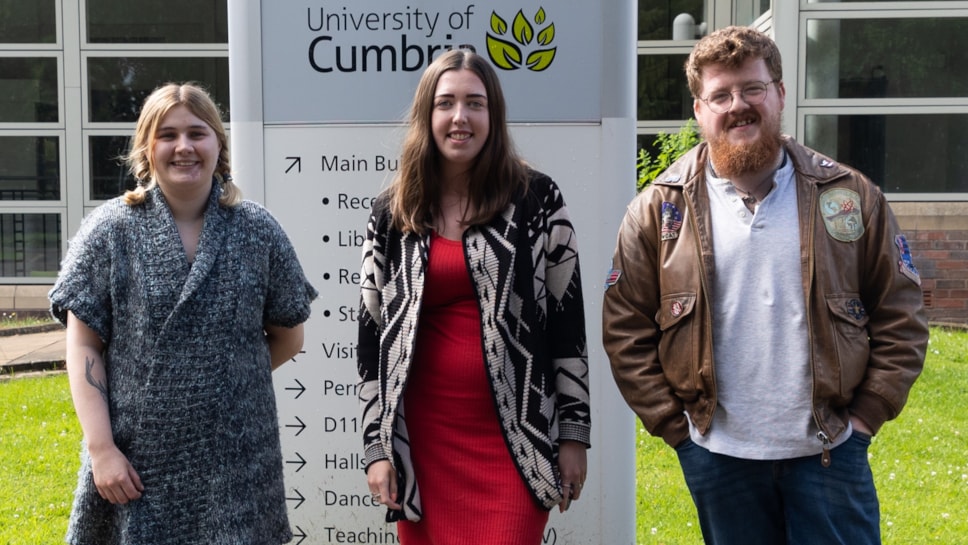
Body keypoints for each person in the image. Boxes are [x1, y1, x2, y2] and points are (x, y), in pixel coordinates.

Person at [602, 26, 928, 545]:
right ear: (698, 110)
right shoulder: (659, 209)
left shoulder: (847, 196)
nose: (739, 106)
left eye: (753, 89)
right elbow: (624, 329)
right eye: (721, 95)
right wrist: (676, 429)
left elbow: (901, 314)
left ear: (779, 93)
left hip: (829, 451)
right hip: (719, 457)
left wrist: (864, 419)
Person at [49, 82, 318, 544]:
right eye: (167, 134)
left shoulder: (258, 230)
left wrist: (209, 384)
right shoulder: (110, 230)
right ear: (147, 147)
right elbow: (83, 343)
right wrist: (101, 450)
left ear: (219, 143)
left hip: (235, 462)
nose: (184, 147)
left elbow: (290, 336)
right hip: (134, 461)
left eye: (197, 132)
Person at [356, 49, 590, 544]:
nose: (460, 117)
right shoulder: (392, 211)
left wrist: (572, 435)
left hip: (514, 440)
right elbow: (370, 340)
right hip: (422, 443)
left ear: (493, 115)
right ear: (427, 115)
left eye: (475, 103)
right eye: (446, 103)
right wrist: (377, 448)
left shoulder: (537, 200)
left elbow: (569, 327)